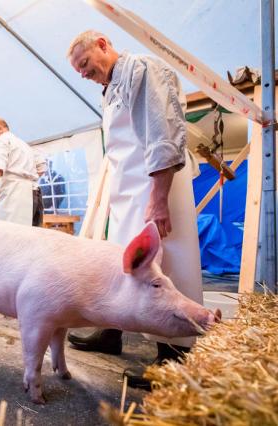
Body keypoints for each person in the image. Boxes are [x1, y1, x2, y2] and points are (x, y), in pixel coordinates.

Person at [66, 30, 203, 388]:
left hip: (154, 184)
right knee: (125, 265)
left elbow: (163, 131)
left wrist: (159, 198)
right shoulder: (111, 89)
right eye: (77, 71)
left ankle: (174, 357)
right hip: (131, 188)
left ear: (103, 44)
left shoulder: (142, 69)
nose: (82, 74)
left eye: (84, 64)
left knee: (166, 265)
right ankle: (113, 332)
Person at [33, 149, 47, 227]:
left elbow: (42, 168)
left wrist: (31, 178)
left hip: (31, 191)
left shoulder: (30, 150)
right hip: (34, 191)